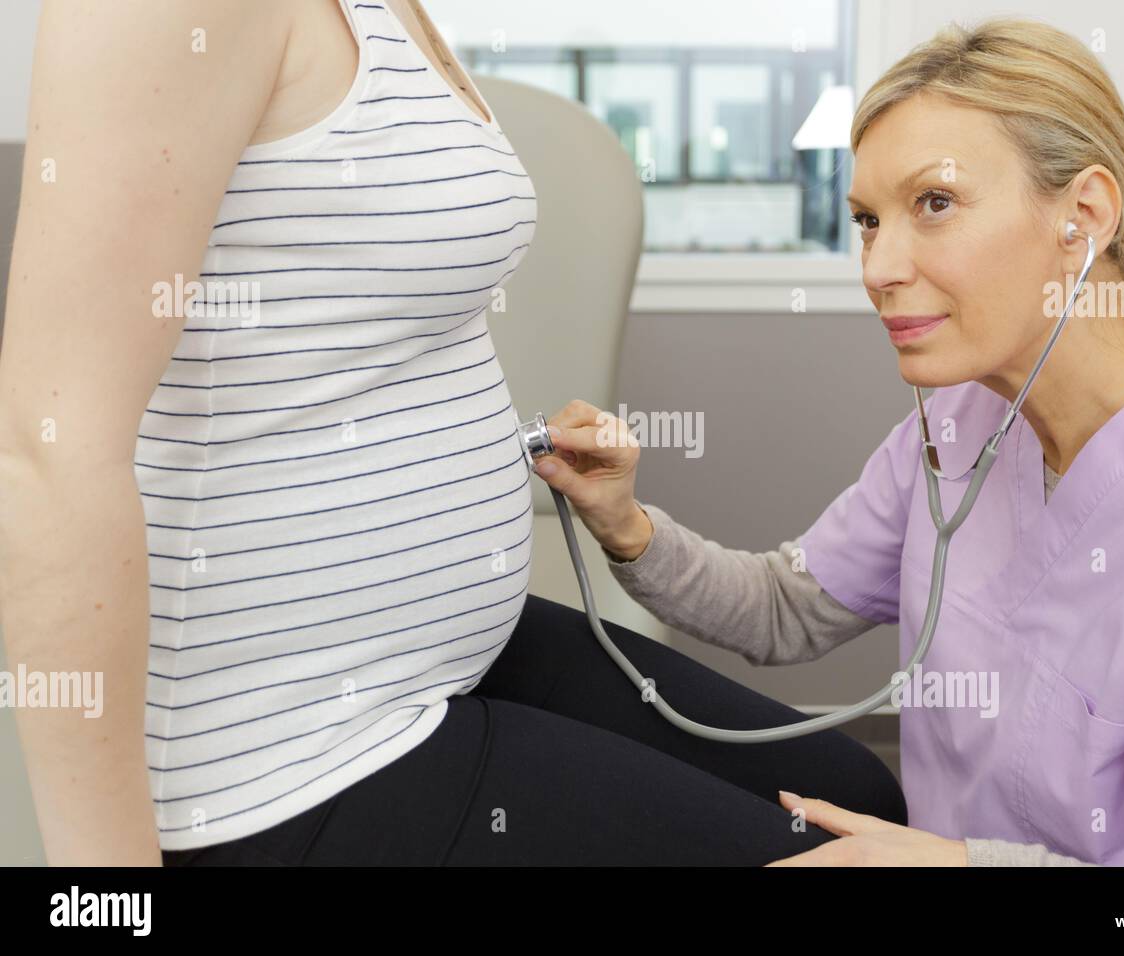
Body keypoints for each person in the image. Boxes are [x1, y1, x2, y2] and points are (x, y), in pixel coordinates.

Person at [0, 0, 906, 868]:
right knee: (836, 860)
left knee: (859, 798)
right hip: (285, 746)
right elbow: (46, 451)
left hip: (453, 654)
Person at [532, 18, 1124, 866]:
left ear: (1082, 216)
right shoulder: (958, 422)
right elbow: (785, 610)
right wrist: (627, 525)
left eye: (934, 204)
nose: (877, 267)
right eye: (867, 219)